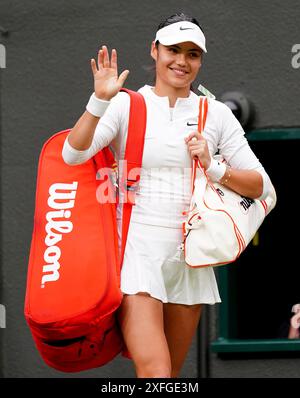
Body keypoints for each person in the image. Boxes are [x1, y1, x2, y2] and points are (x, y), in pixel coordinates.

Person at [62, 12, 273, 378]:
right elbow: (72, 153)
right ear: (155, 51)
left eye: (193, 54)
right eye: (174, 50)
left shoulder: (217, 114)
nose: (182, 61)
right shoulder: (127, 105)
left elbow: (260, 186)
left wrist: (214, 166)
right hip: (137, 252)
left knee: (169, 377)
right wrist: (98, 101)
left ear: (200, 60)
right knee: (156, 372)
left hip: (190, 258)